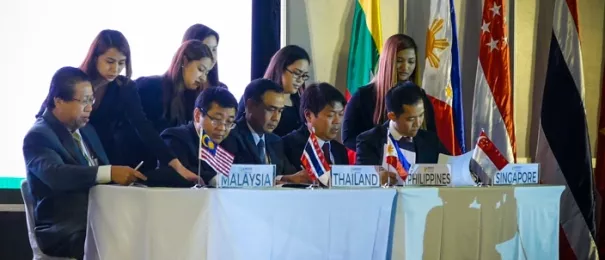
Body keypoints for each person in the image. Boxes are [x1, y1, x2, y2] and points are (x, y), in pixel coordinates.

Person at [32, 29, 197, 180]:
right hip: (72, 155)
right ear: (95, 57)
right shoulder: (74, 81)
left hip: (107, 159)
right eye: (110, 61)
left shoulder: (124, 87)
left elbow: (144, 128)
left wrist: (176, 164)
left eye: (121, 63)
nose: (115, 69)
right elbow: (46, 115)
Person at [24, 67, 146, 259]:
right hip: (65, 227)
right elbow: (56, 175)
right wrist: (109, 173)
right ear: (59, 101)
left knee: (146, 235)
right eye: (84, 101)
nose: (90, 107)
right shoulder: (38, 136)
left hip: (100, 219)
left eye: (92, 99)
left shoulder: (87, 129)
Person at [342, 34, 436, 150]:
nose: (405, 67)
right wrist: (379, 149)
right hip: (376, 164)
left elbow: (431, 137)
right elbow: (348, 138)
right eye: (399, 61)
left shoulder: (420, 96)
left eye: (411, 62)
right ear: (388, 61)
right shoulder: (363, 96)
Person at [232, 79, 310, 183]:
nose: (276, 118)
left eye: (280, 111)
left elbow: (289, 175)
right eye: (271, 109)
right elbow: (231, 178)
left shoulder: (276, 141)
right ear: (250, 106)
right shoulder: (231, 137)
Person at [356, 82, 449, 169]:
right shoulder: (369, 141)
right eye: (411, 119)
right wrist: (378, 178)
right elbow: (364, 180)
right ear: (392, 116)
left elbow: (451, 168)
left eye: (421, 115)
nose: (418, 123)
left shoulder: (431, 141)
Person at [160, 87, 240, 186]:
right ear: (197, 115)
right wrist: (212, 178)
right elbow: (181, 173)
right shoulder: (175, 138)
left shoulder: (230, 143)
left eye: (229, 122)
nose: (222, 128)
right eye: (216, 119)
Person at [237, 45, 311, 137]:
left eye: (304, 75)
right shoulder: (256, 94)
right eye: (297, 73)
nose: (300, 80)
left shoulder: (300, 103)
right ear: (280, 68)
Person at [282, 82, 350, 170]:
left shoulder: (340, 150)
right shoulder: (288, 145)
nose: (337, 121)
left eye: (340, 114)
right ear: (309, 115)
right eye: (330, 115)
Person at [182, 23, 227, 88]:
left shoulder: (221, 89)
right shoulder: (164, 86)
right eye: (207, 49)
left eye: (214, 49)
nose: (212, 57)